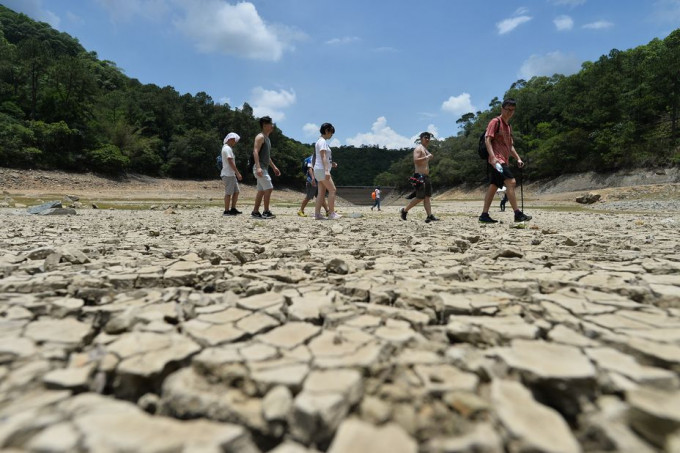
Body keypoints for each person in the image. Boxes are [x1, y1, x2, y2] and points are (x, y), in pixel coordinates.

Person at [479, 99, 532, 223]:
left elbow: (510, 146)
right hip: (497, 160)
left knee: (493, 186)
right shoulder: (495, 122)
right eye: (508, 109)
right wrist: (492, 157)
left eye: (512, 110)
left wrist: (518, 158)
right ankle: (517, 214)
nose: (510, 112)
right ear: (502, 109)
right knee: (511, 182)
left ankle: (484, 215)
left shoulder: (508, 127)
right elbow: (488, 140)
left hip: (504, 160)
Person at [399, 132, 439, 223]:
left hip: (426, 176)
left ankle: (429, 216)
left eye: (428, 137)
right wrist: (428, 157)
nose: (427, 139)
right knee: (420, 197)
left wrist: (428, 156)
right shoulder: (418, 148)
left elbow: (428, 157)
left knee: (427, 197)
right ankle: (404, 211)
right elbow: (416, 161)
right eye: (425, 137)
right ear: (421, 138)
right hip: (419, 176)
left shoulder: (425, 149)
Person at [251, 116, 281, 219]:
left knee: (262, 191)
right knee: (269, 188)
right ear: (264, 125)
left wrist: (274, 167)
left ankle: (255, 212)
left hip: (264, 167)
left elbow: (267, 157)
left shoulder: (267, 139)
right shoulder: (260, 137)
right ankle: (266, 212)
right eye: (270, 124)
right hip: (260, 168)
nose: (272, 125)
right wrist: (258, 167)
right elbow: (255, 151)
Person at [313, 123, 341, 220]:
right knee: (332, 190)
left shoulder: (319, 141)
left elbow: (324, 157)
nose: (331, 135)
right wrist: (326, 170)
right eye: (331, 133)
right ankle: (331, 213)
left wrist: (331, 164)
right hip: (321, 169)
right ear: (326, 131)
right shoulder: (322, 141)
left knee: (321, 193)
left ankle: (317, 214)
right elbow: (323, 156)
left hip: (318, 169)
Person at [221, 132, 242, 216]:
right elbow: (230, 161)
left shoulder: (228, 148)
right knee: (228, 193)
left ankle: (233, 208)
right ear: (230, 139)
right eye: (234, 140)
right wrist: (237, 173)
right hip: (228, 174)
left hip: (231, 174)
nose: (235, 142)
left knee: (236, 191)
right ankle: (226, 211)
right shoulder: (227, 148)